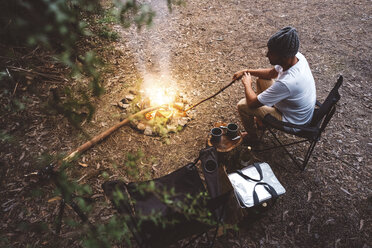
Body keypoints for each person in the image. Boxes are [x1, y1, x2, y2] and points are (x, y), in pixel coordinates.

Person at [233, 26, 316, 145]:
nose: (267, 55)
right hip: (295, 110)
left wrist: (247, 84)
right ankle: (262, 122)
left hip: (292, 122)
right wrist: (247, 71)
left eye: (271, 53)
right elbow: (271, 73)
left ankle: (253, 138)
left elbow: (252, 103)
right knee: (262, 80)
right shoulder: (297, 57)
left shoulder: (288, 82)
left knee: (243, 105)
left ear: (284, 57)